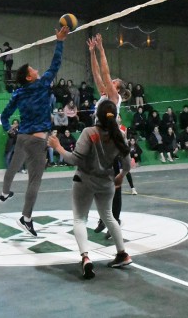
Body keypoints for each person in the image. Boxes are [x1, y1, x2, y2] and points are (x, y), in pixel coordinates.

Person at [47, 99, 133, 279]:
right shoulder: (120, 134)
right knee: (109, 216)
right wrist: (121, 175)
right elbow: (126, 163)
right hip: (107, 182)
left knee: (79, 219)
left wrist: (58, 147)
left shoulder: (89, 132)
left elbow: (74, 159)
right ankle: (122, 253)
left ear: (97, 115)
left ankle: (86, 258)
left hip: (85, 181)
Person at [0, 25, 70, 237]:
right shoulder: (41, 85)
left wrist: (7, 128)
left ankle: (3, 193)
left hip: (21, 138)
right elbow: (55, 65)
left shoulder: (18, 93)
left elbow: (4, 116)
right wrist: (60, 41)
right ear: (30, 77)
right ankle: (26, 218)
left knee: (12, 167)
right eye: (33, 71)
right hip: (38, 140)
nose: (38, 71)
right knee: (34, 181)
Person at [87, 33, 131, 237]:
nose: (109, 81)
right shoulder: (105, 94)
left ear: (118, 89)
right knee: (99, 183)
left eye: (113, 81)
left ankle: (115, 219)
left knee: (114, 184)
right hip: (98, 141)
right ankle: (104, 218)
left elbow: (104, 71)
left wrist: (102, 49)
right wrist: (91, 52)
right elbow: (97, 74)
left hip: (109, 141)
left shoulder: (114, 97)